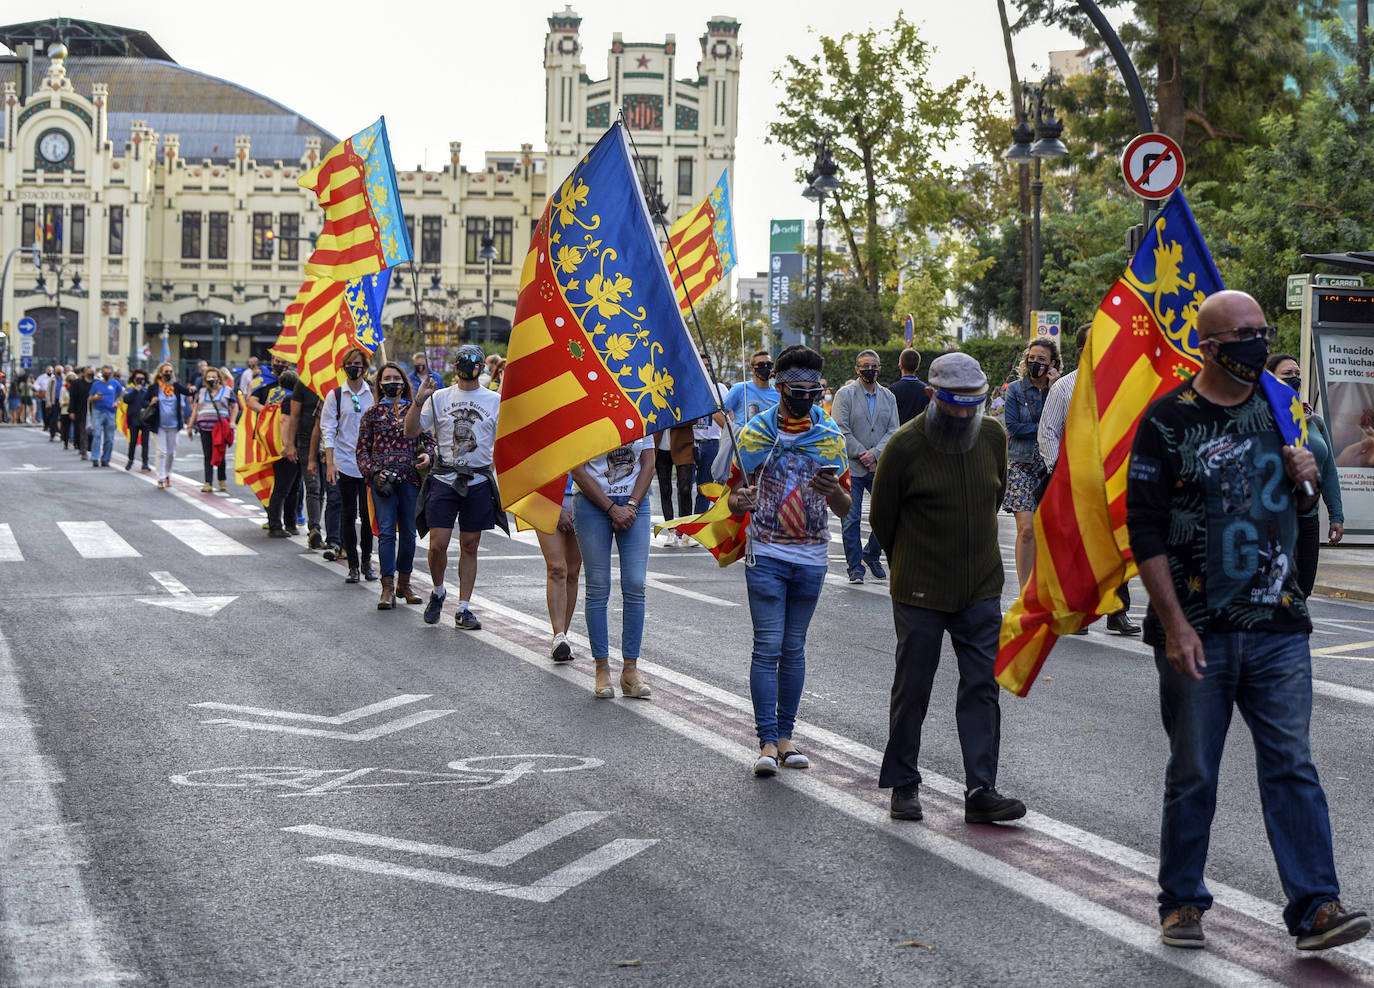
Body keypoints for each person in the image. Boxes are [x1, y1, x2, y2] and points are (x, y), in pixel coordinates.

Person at [1127, 289, 1369, 952]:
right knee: (1195, 768)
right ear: (1207, 347)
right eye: (1244, 336)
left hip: (1278, 626)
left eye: (1263, 332)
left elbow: (1305, 500)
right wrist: (1174, 625)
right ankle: (1181, 900)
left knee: (1292, 763)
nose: (1258, 344)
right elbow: (1142, 527)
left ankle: (1317, 905)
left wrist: (1308, 477)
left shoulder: (1280, 407)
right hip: (1198, 627)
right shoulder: (1167, 420)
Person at [871, 352, 1027, 826]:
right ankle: (903, 783)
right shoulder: (904, 445)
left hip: (980, 587)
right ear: (934, 395)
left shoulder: (994, 436)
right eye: (955, 404)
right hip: (919, 589)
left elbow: (993, 497)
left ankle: (982, 789)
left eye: (973, 405)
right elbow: (883, 519)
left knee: (982, 688)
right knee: (913, 687)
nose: (963, 414)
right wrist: (912, 565)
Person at [726, 344, 851, 776]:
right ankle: (764, 743)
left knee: (794, 648)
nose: (805, 398)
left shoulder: (831, 436)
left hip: (813, 556)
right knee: (768, 646)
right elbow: (734, 495)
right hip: (767, 552)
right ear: (779, 388)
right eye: (796, 390)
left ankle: (786, 739)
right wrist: (740, 500)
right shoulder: (754, 434)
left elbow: (845, 506)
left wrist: (834, 491)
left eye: (813, 391)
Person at [1036, 325, 1140, 636]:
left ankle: (1117, 612)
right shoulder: (1065, 388)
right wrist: (1060, 471)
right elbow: (1048, 432)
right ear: (1082, 350)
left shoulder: (1123, 384)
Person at [406, 344, 507, 630]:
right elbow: (411, 431)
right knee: (437, 544)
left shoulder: (495, 400)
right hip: (444, 478)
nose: (469, 366)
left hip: (477, 481)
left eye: (473, 361)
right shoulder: (437, 398)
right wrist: (418, 401)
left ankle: (464, 608)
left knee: (470, 544)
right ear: (456, 366)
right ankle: (438, 591)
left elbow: (506, 441)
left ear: (481, 367)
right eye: (464, 361)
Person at [571, 436, 655, 699]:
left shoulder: (640, 404)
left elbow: (649, 461)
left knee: (634, 583)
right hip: (591, 504)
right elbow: (577, 468)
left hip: (635, 505)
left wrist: (631, 505)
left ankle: (630, 670)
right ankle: (602, 668)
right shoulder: (584, 410)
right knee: (597, 585)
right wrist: (610, 508)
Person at [357, 362, 435, 609]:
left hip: (410, 479)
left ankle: (405, 583)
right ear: (380, 384)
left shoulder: (417, 411)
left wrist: (428, 457)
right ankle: (387, 587)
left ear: (404, 383)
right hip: (383, 482)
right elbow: (361, 452)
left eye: (397, 378)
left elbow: (430, 442)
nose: (392, 382)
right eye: (387, 378)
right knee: (388, 533)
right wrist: (373, 473)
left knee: (410, 535)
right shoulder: (371, 414)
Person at [1266, 353, 1344, 598]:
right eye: (1287, 375)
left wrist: (1336, 516)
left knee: (1303, 587)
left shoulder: (1315, 422)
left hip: (1308, 518)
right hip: (1274, 519)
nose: (1295, 379)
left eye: (1297, 374)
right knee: (1276, 588)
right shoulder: (1265, 418)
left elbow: (1329, 470)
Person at [832, 349, 898, 584]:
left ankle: (871, 553)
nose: (870, 369)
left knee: (888, 514)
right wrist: (862, 453)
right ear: (857, 369)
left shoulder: (889, 397)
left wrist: (876, 454)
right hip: (853, 467)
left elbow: (893, 430)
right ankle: (854, 568)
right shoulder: (845, 394)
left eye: (874, 365)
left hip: (879, 466)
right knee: (851, 518)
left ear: (879, 368)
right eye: (865, 365)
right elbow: (840, 428)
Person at [1003, 338, 1061, 590]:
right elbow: (1013, 427)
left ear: (1052, 364)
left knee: (1049, 534)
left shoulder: (1059, 389)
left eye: (1042, 360)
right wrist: (1045, 429)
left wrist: (1054, 386)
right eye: (1032, 358)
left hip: (1050, 468)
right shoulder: (1015, 390)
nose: (1035, 363)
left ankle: (1045, 587)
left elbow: (1065, 424)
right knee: (1026, 529)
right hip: (1021, 465)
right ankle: (1025, 592)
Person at [321, 349, 377, 583]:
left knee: (367, 515)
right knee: (347, 514)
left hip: (368, 465)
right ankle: (352, 565)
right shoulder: (335, 395)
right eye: (350, 364)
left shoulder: (373, 393)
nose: (354, 367)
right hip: (344, 462)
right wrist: (330, 463)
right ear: (344, 367)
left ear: (364, 367)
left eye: (358, 363)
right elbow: (329, 429)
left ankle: (366, 562)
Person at [537, 477, 583, 662]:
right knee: (557, 568)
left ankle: (564, 637)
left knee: (573, 571)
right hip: (545, 497)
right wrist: (553, 508)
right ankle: (558, 636)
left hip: (584, 496)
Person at [284, 370, 326, 549]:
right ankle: (314, 529)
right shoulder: (304, 383)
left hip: (329, 442)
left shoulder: (335, 381)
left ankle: (324, 532)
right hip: (305, 439)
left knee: (324, 487)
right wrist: (290, 445)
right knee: (313, 486)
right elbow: (293, 416)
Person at [256, 370, 300, 536]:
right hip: (287, 446)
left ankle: (288, 523)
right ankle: (278, 525)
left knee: (287, 487)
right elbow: (284, 421)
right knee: (286, 488)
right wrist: (287, 444)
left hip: (273, 445)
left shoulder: (273, 394)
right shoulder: (290, 399)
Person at [147, 363, 195, 488]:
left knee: (171, 452)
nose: (168, 373)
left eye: (170, 371)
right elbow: (144, 401)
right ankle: (160, 478)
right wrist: (151, 402)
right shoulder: (154, 388)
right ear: (160, 373)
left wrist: (193, 389)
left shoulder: (176, 387)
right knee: (161, 452)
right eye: (166, 371)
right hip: (159, 425)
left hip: (174, 424)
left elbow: (188, 392)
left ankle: (168, 475)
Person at [190, 368, 236, 492]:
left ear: (219, 378)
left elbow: (235, 406)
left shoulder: (227, 390)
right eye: (209, 377)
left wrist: (232, 421)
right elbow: (195, 408)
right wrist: (190, 425)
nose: (211, 379)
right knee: (208, 455)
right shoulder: (202, 392)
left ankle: (222, 480)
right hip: (205, 427)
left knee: (220, 452)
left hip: (220, 427)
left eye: (214, 377)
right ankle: (208, 482)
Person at [652, 426, 695, 547]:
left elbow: (694, 417)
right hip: (660, 447)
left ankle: (687, 532)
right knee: (665, 489)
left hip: (683, 445)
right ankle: (670, 530)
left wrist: (671, 419)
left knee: (685, 488)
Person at [723, 350, 779, 428]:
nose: (766, 368)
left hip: (768, 438)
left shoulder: (778, 393)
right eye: (761, 365)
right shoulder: (740, 388)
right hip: (744, 438)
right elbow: (718, 413)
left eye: (769, 365)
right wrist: (733, 431)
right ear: (752, 368)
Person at [86, 366, 122, 467]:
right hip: (98, 411)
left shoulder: (115, 383)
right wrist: (95, 397)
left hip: (110, 412)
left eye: (109, 373)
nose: (107, 374)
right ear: (102, 373)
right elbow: (89, 398)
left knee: (109, 438)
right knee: (97, 434)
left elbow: (121, 392)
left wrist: (116, 401)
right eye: (105, 372)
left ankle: (106, 459)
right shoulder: (96, 384)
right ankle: (95, 458)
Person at [122, 370, 153, 471]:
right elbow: (126, 400)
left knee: (145, 442)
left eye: (142, 379)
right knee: (133, 441)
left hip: (145, 419)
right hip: (133, 419)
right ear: (134, 380)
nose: (140, 381)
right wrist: (135, 390)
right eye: (138, 379)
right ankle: (130, 460)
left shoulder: (147, 390)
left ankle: (145, 462)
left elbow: (149, 403)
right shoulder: (130, 389)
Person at [890, 348, 929, 425]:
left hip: (899, 434)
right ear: (917, 366)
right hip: (920, 434)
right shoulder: (927, 390)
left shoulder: (893, 390)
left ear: (900, 365)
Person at [69, 367, 93, 460]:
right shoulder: (77, 383)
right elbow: (73, 398)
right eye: (89, 372)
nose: (91, 373)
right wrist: (71, 411)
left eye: (92, 372)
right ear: (84, 373)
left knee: (93, 433)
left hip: (94, 411)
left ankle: (91, 449)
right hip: (81, 411)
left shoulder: (96, 383)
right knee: (83, 432)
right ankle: (83, 451)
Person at [58, 372, 76, 449]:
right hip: (65, 411)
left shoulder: (76, 388)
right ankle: (66, 442)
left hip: (75, 410)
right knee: (66, 427)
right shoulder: (63, 388)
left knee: (75, 427)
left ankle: (75, 442)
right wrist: (68, 403)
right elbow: (61, 401)